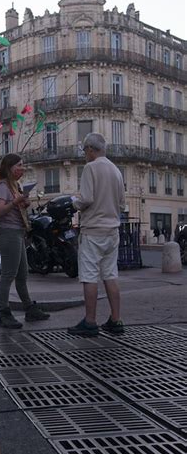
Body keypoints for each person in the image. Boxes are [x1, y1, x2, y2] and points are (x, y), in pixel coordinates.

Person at [68, 132, 126, 337]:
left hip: (93, 231)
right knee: (110, 274)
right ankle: (116, 320)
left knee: (89, 276)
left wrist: (74, 203)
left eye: (85, 150)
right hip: (112, 231)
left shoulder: (90, 168)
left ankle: (90, 322)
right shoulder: (116, 171)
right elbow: (121, 203)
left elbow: (86, 199)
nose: (85, 154)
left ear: (90, 149)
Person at [0, 153, 50, 329]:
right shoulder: (2, 187)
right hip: (8, 233)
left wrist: (22, 203)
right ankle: (4, 313)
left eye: (23, 165)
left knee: (22, 274)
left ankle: (29, 308)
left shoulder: (14, 185)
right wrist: (16, 201)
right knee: (8, 274)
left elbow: (12, 208)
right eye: (19, 166)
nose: (22, 169)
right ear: (10, 168)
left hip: (17, 232)